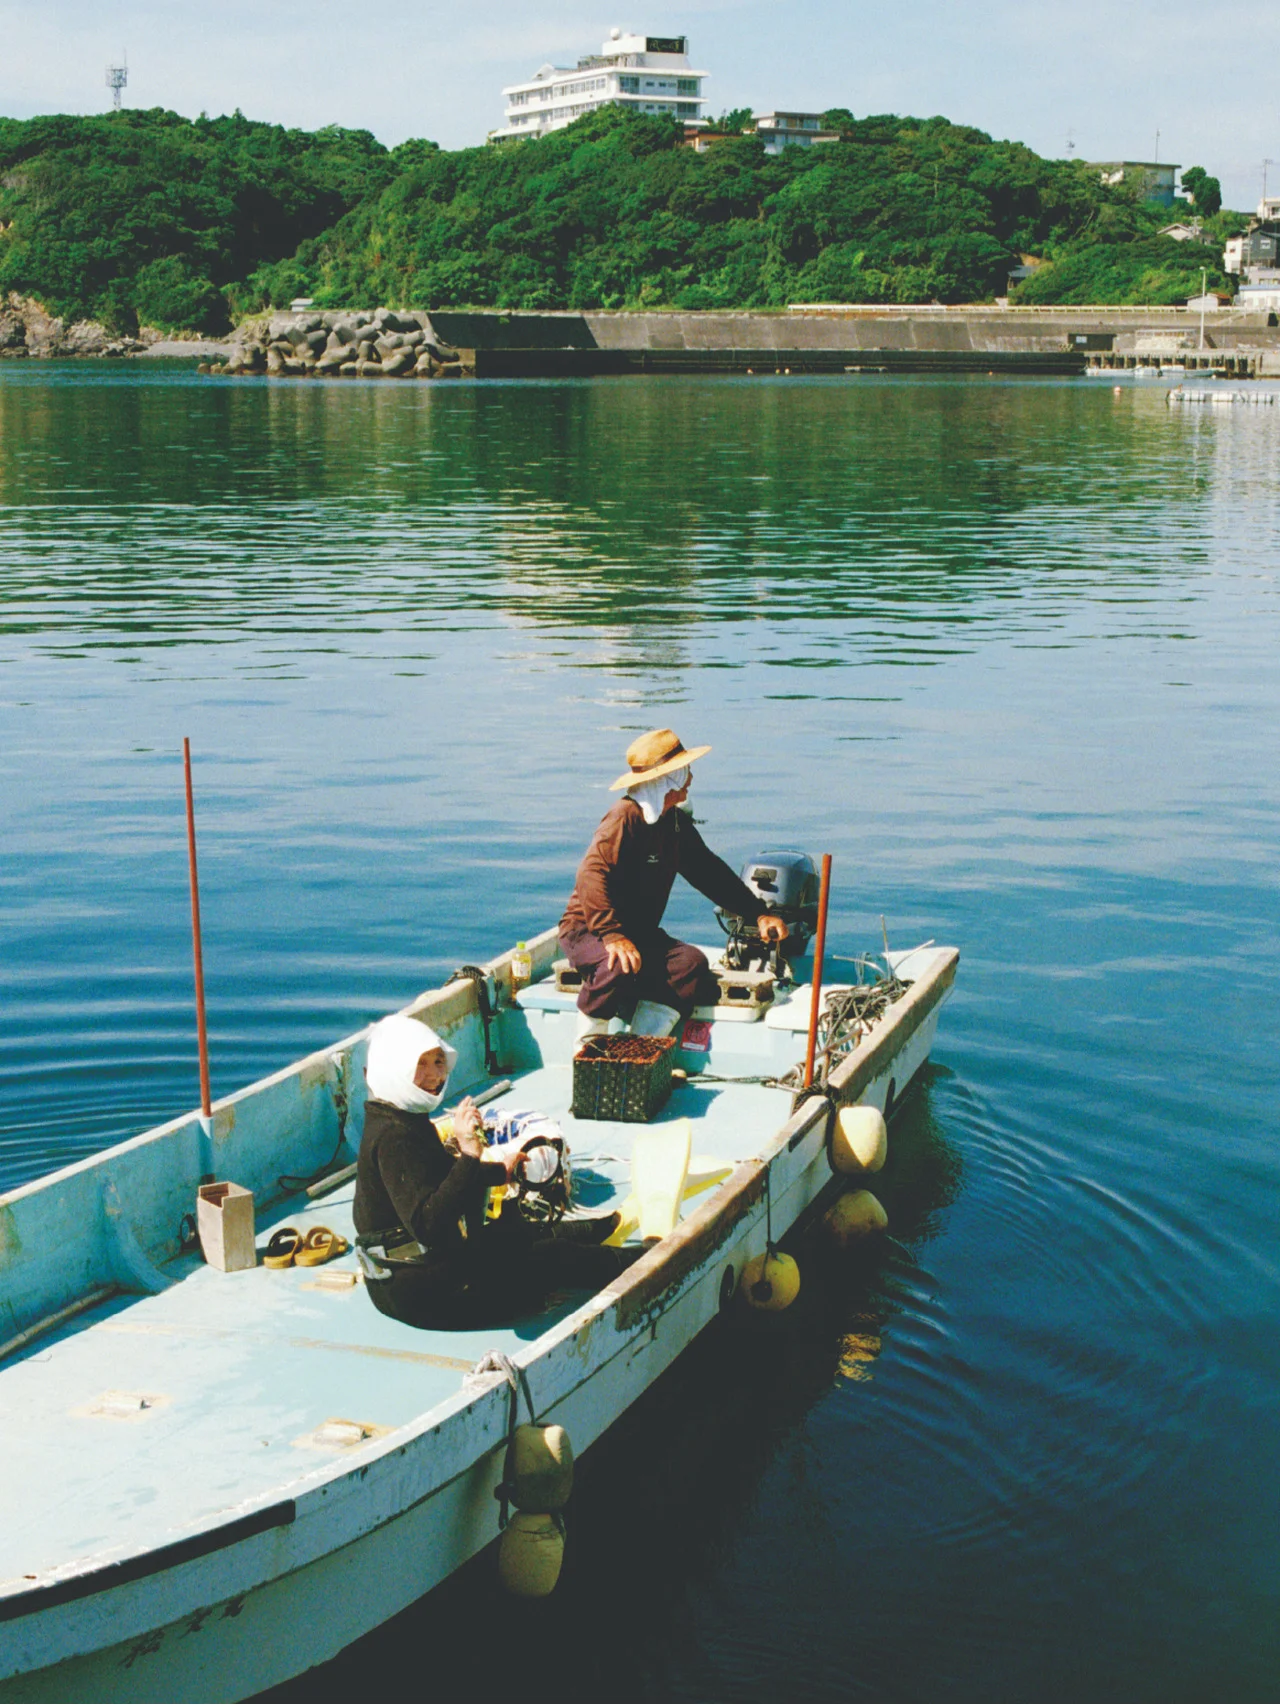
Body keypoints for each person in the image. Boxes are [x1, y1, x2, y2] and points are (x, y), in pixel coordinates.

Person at [353, 1014, 635, 1329]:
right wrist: (471, 1152)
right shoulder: (394, 1137)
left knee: (515, 1231)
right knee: (549, 1258)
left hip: (413, 1273)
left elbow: (441, 1176)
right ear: (390, 1071)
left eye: (438, 1062)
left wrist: (500, 1172)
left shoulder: (398, 1116)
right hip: (422, 1293)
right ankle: (637, 1263)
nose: (434, 1075)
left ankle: (596, 1230)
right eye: (420, 1065)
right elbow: (428, 1225)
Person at [560, 728, 788, 1039]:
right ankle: (588, 1045)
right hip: (589, 929)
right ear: (668, 779)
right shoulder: (623, 818)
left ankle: (643, 1043)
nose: (691, 778)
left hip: (637, 933)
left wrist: (757, 912)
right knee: (619, 964)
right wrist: (612, 935)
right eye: (685, 771)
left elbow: (710, 872)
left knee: (689, 963)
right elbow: (591, 875)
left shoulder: (674, 824)